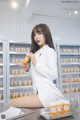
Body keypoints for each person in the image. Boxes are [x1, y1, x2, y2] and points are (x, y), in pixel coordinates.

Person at [6, 23, 65, 108]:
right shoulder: (36, 53)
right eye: (34, 35)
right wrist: (27, 69)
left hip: (47, 93)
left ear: (46, 34)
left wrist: (35, 62)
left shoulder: (49, 51)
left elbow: (54, 75)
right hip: (38, 93)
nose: (36, 37)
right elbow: (37, 75)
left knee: (10, 105)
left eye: (39, 33)